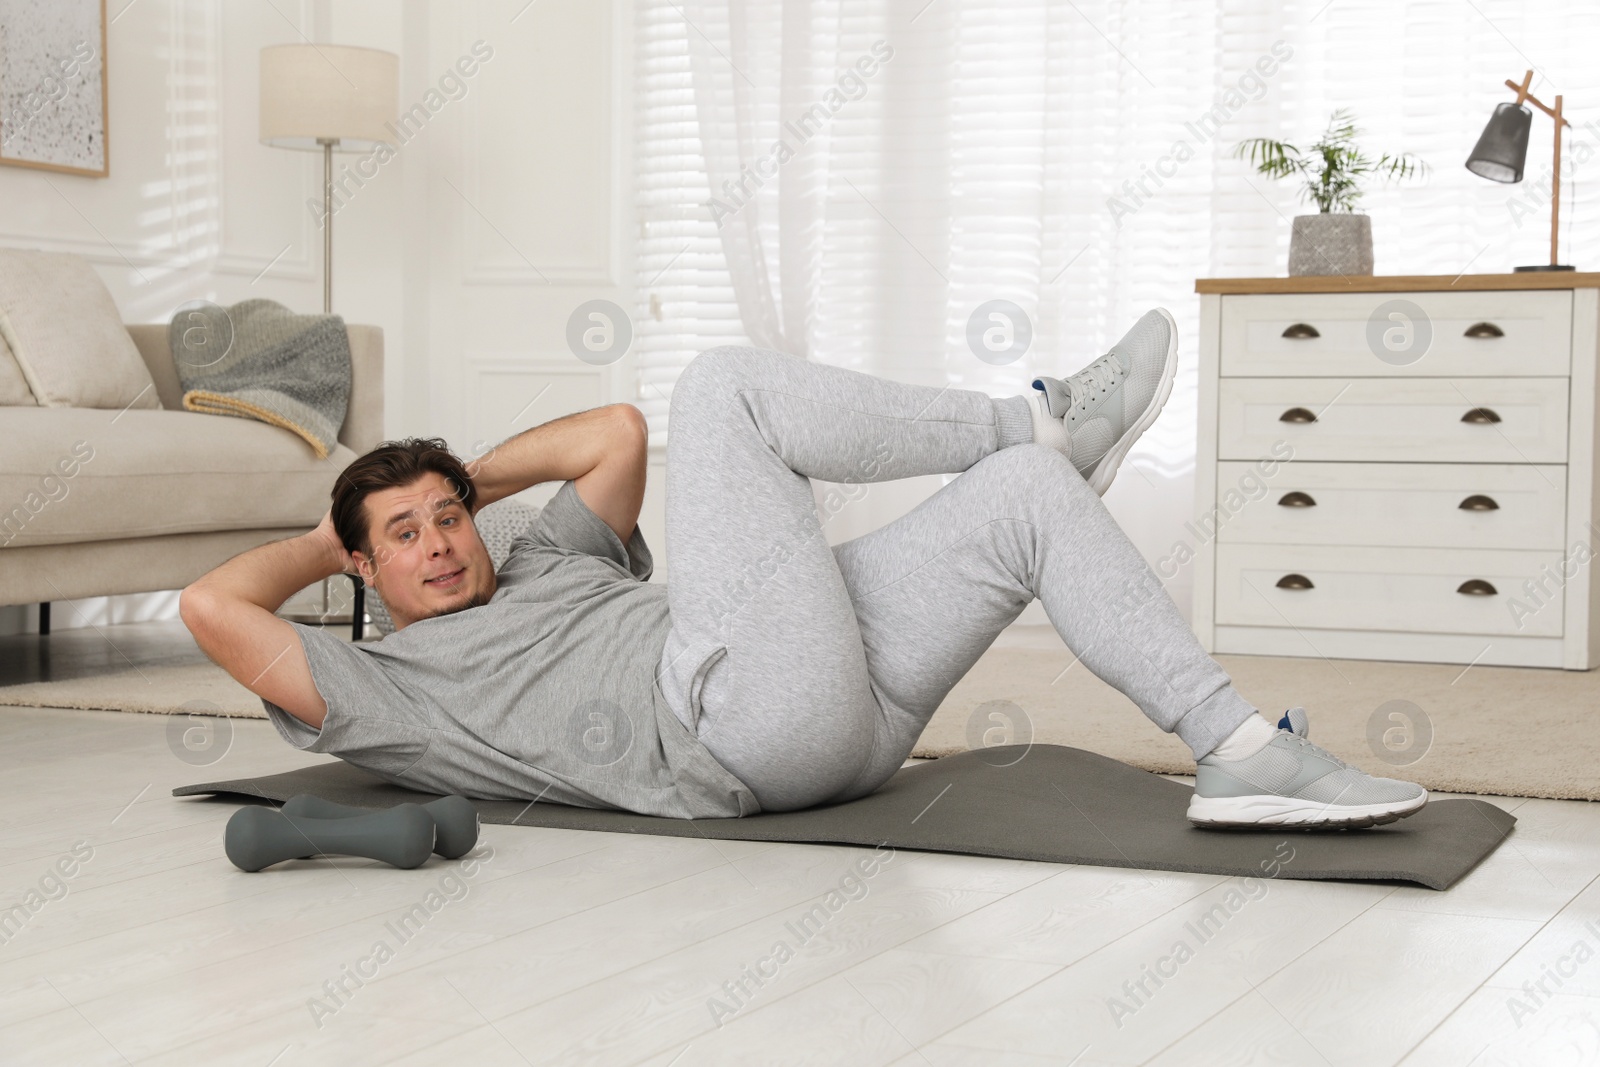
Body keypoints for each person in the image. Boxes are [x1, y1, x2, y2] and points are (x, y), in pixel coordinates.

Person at [181, 309, 1427, 828]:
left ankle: (1241, 752)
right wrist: (343, 524)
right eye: (406, 536)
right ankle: (1032, 414)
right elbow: (208, 604)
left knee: (1024, 503)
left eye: (447, 518)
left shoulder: (544, 563)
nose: (443, 542)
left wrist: (451, 477)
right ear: (360, 563)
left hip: (839, 717)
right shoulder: (379, 681)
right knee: (722, 386)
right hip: (730, 726)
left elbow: (609, 434)